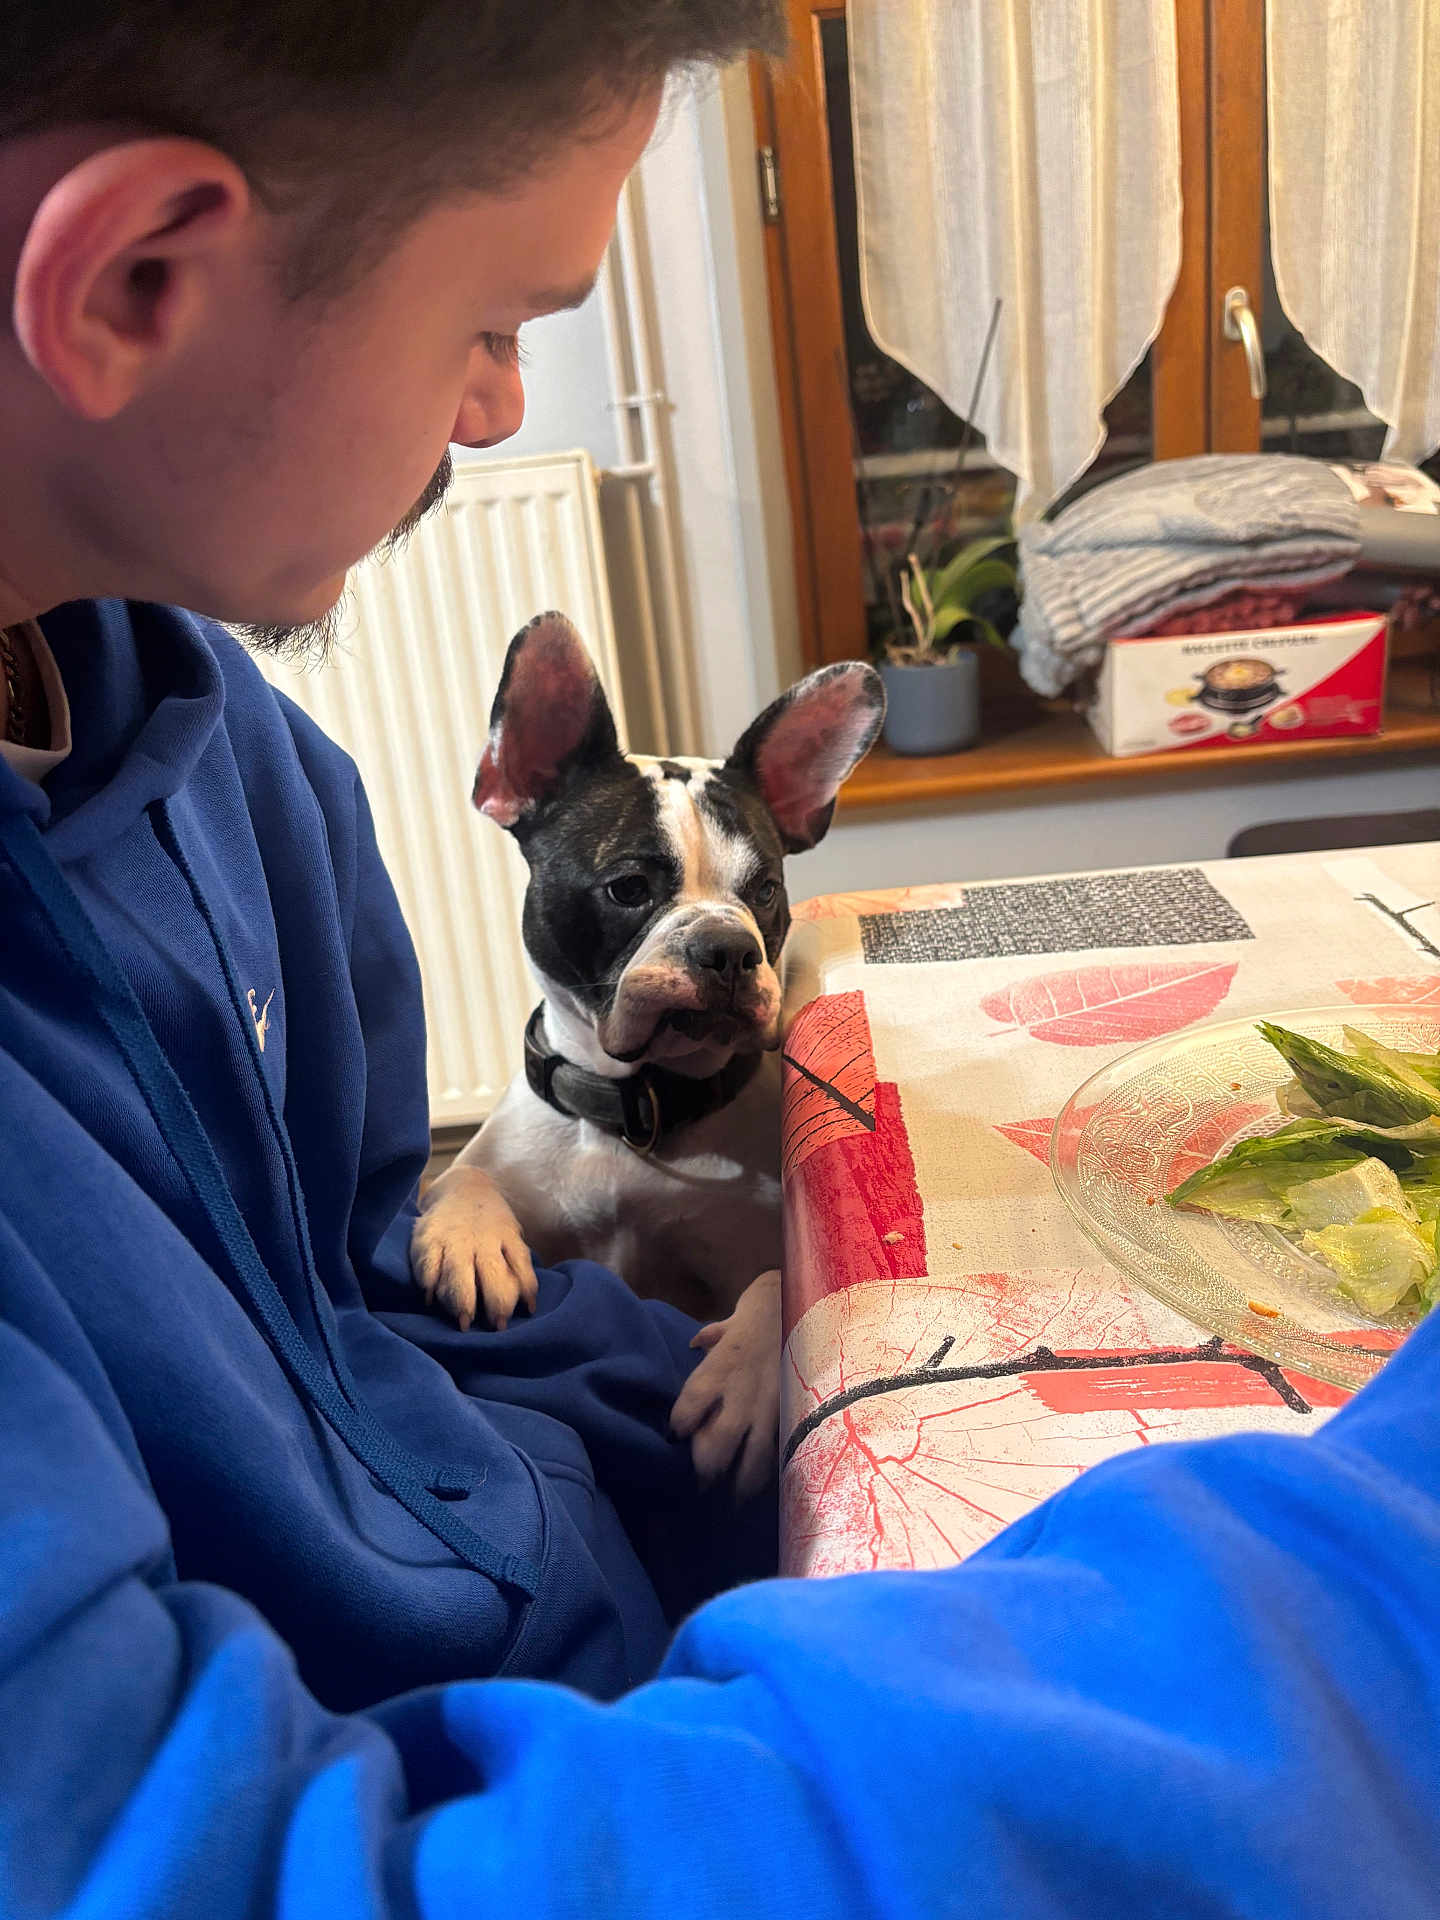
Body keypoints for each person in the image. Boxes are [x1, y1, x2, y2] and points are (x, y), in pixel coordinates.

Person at [0, 7, 1437, 1917]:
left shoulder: (249, 770)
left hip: (583, 1593)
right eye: (498, 325)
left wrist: (712, 1372)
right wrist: (1374, 1591)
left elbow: (368, 1302)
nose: (505, 410)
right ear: (137, 278)